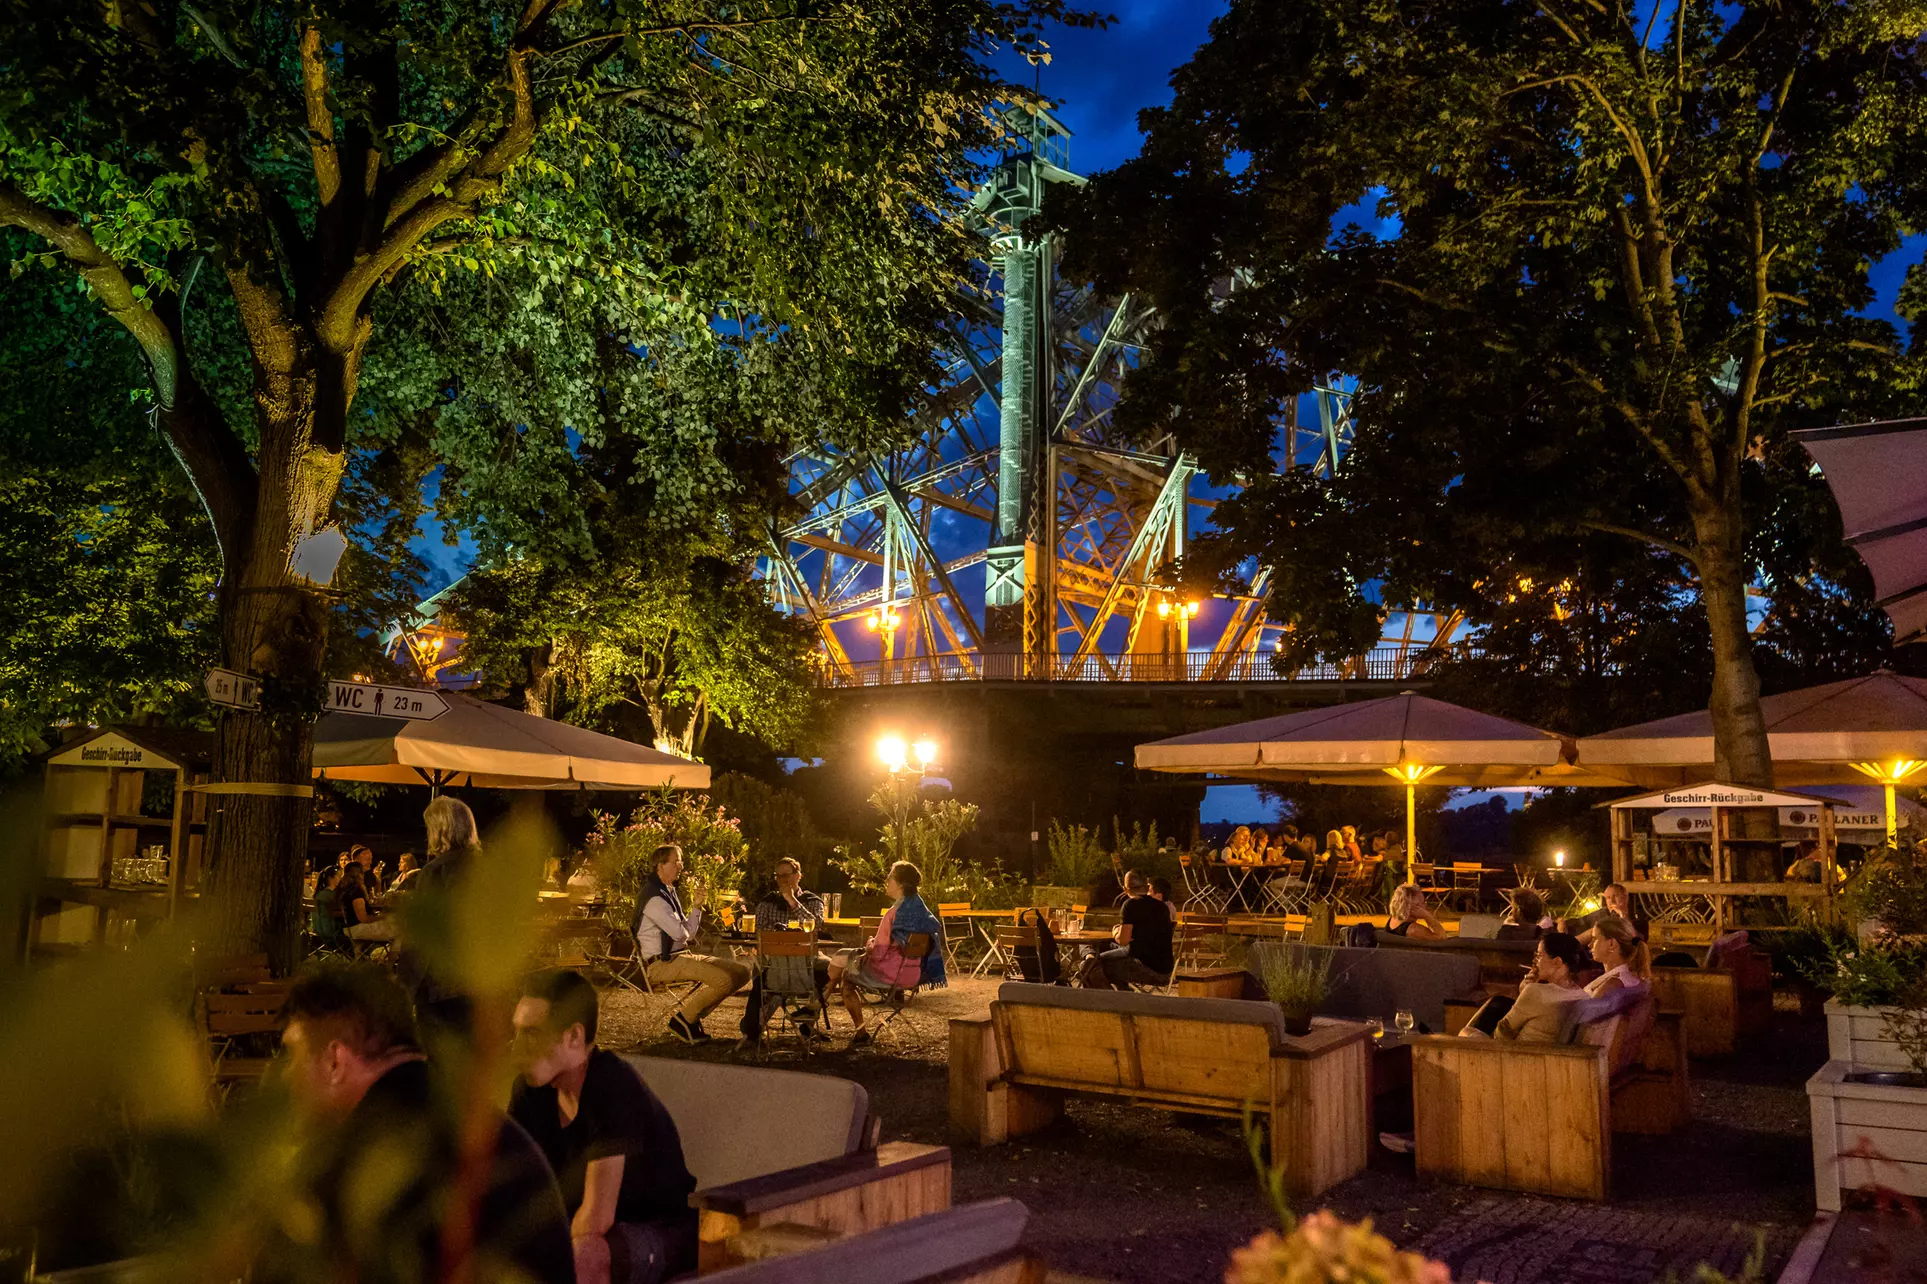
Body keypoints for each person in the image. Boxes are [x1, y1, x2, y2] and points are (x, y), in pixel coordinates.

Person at [270, 961, 573, 1284]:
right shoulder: (460, 1115)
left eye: (293, 1053)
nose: (285, 1075)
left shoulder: (370, 1156)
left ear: (335, 1060)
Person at [511, 970, 698, 1284]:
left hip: (658, 1227)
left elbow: (597, 1218)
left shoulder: (612, 1085)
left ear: (574, 1036)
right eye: (516, 1031)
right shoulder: (531, 1090)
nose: (517, 1047)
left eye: (531, 1033)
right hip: (583, 1230)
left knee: (585, 1256)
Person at [633, 844, 751, 1045]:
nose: (681, 866)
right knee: (724, 980)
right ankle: (684, 1020)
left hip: (681, 955)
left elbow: (687, 934)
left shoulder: (668, 892)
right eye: (676, 861)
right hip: (661, 964)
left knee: (741, 972)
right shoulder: (655, 898)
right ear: (660, 866)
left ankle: (690, 1019)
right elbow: (681, 933)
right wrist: (684, 930)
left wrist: (697, 906)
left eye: (681, 861)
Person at [828, 861, 946, 1045]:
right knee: (846, 959)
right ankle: (816, 1006)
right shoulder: (923, 913)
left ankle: (860, 1032)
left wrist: (869, 946)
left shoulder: (893, 913)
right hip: (914, 974)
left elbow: (878, 954)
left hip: (889, 974)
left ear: (899, 884)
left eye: (890, 877)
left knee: (847, 978)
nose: (887, 880)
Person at [740, 857, 832, 1041]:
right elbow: (760, 933)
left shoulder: (812, 901)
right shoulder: (767, 903)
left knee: (833, 969)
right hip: (774, 962)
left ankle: (808, 1020)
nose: (783, 879)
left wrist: (791, 900)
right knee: (762, 970)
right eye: (778, 875)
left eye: (787, 875)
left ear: (798, 876)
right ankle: (752, 1025)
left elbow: (817, 925)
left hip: (808, 962)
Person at [1459, 933, 1590, 1042]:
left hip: (1518, 1057)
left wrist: (1526, 991)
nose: (1536, 962)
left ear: (1557, 962)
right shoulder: (1582, 996)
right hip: (1549, 1058)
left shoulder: (1537, 992)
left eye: (1539, 956)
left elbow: (1502, 1034)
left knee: (1466, 1032)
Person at [1086, 870, 1175, 990]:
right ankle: (1124, 992)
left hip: (1146, 968)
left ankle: (1112, 999)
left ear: (1125, 889)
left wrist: (1115, 932)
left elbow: (1123, 941)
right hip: (1166, 970)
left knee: (1089, 966)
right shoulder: (1162, 907)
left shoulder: (1130, 905)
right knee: (1095, 948)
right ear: (1146, 886)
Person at [1585, 913, 1651, 996]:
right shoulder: (1626, 977)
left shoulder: (1611, 985)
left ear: (1611, 944)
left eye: (1595, 939)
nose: (1589, 945)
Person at [309, 867, 347, 951]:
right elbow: (339, 913)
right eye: (339, 876)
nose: (341, 878)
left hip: (316, 931)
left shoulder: (318, 894)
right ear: (331, 878)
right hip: (331, 933)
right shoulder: (331, 895)